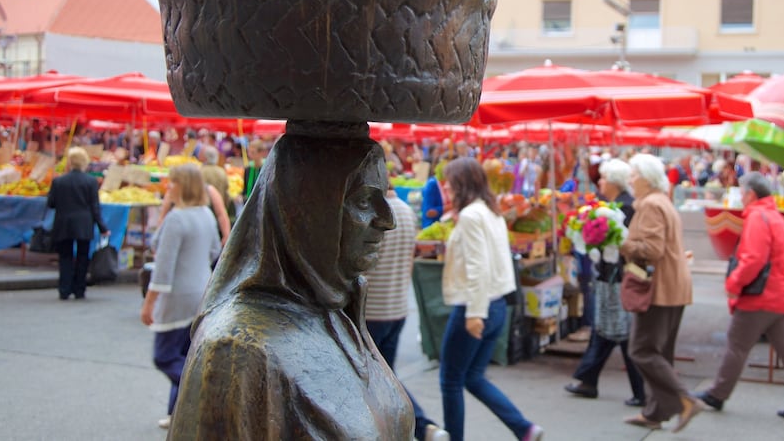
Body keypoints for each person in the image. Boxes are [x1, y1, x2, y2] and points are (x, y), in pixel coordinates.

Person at [169, 133, 413, 439]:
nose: (387, 219)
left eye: (383, 196)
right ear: (306, 211)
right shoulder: (238, 349)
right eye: (363, 200)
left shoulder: (337, 309)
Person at [696, 172, 784, 424]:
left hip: (762, 295)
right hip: (782, 293)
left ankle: (718, 393)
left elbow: (753, 259)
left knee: (737, 346)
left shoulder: (757, 218)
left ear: (750, 194)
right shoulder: (774, 216)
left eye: (741, 192)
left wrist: (733, 284)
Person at [439, 157, 543, 441]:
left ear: (461, 184)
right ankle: (524, 428)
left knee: (450, 380)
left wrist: (475, 313)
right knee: (472, 377)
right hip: (495, 305)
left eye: (449, 181)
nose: (445, 186)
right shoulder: (490, 212)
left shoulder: (473, 215)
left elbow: (478, 266)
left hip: (477, 306)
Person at [618, 153, 702, 433]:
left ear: (646, 178)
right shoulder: (660, 201)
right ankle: (656, 411)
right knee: (660, 352)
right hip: (672, 285)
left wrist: (622, 243)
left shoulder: (652, 205)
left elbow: (652, 251)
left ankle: (684, 399)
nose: (630, 181)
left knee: (642, 350)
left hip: (659, 288)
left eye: (633, 175)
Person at [365, 182, 449, 441]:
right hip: (397, 308)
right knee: (386, 376)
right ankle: (415, 428)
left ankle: (421, 426)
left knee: (378, 379)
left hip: (372, 311)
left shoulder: (374, 215)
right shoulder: (406, 212)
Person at [140, 163, 220, 429]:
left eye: (172, 182)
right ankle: (178, 414)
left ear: (182, 185)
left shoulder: (177, 219)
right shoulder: (205, 213)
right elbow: (213, 251)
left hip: (177, 296)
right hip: (200, 291)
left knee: (164, 356)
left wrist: (149, 303)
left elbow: (163, 267)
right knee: (186, 354)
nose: (167, 187)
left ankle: (201, 395)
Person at [564, 158, 646, 407]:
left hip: (617, 277)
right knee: (608, 331)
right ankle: (588, 379)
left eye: (603, 178)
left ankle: (640, 390)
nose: (599, 182)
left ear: (613, 181)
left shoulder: (624, 207)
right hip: (610, 276)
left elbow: (623, 244)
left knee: (619, 333)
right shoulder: (613, 205)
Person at [47, 147, 109, 300]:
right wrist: (103, 227)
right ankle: (79, 288)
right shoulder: (91, 182)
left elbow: (51, 203)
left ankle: (64, 288)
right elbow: (95, 207)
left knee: (65, 256)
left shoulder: (58, 181)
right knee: (83, 256)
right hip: (84, 222)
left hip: (63, 222)